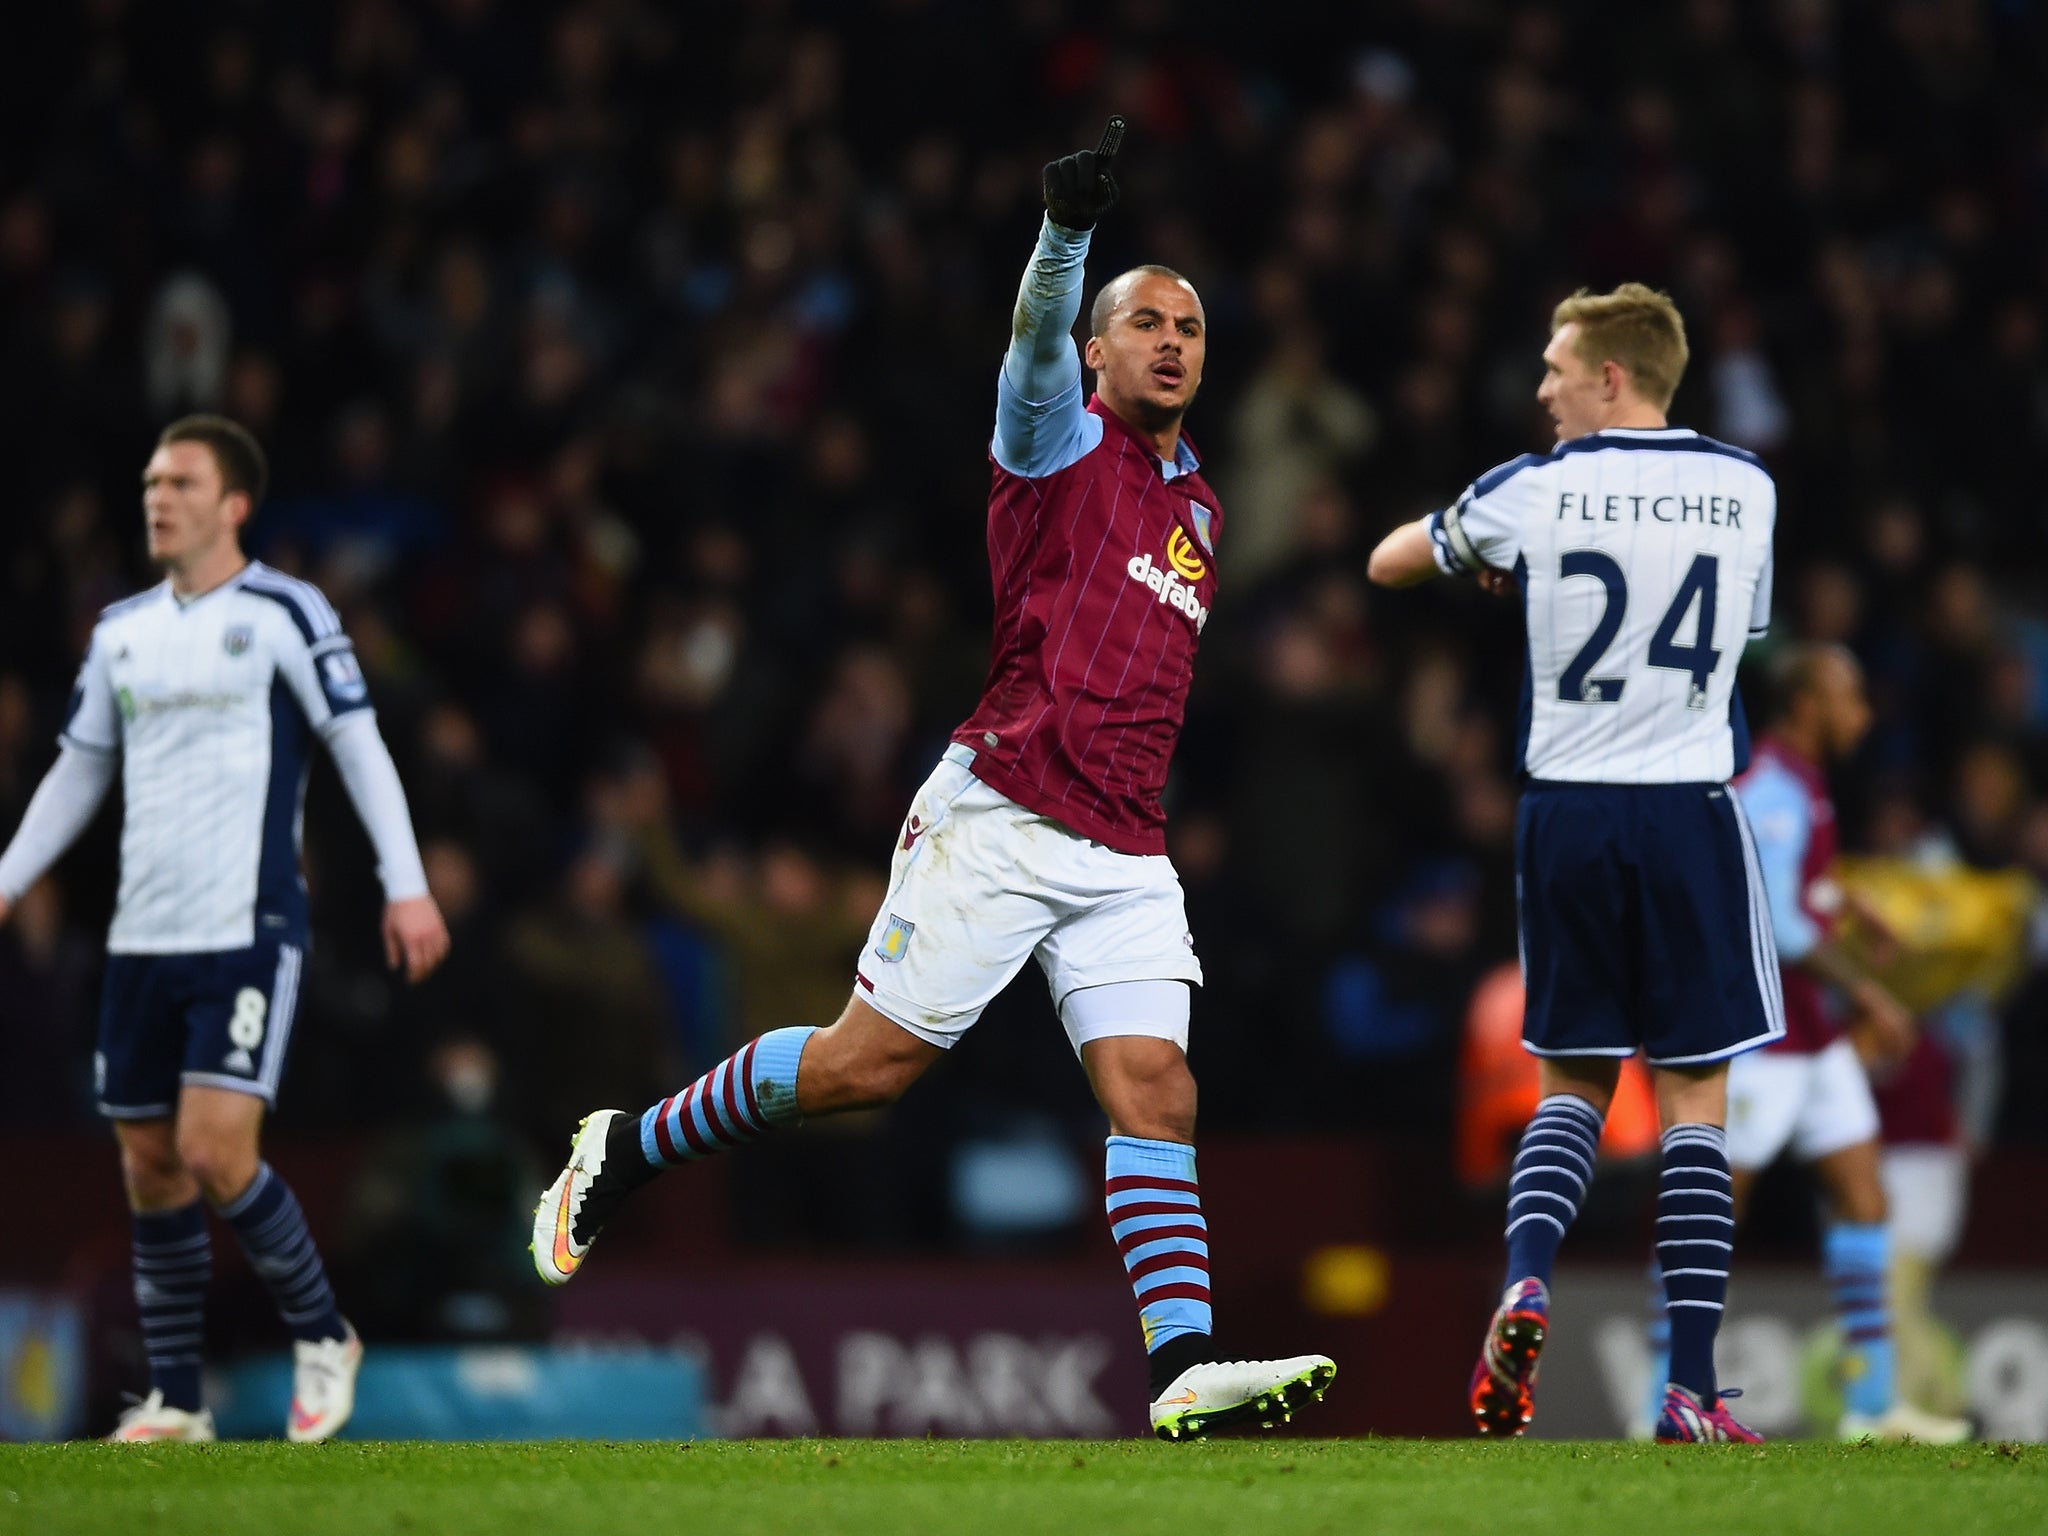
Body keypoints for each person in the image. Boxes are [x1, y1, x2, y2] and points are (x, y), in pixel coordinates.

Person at [531, 123, 1335, 1442]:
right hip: (1005, 811)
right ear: (1097, 350)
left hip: (1126, 847)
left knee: (1157, 1089)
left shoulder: (1202, 511)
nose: (1172, 341)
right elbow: (1026, 343)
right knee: (864, 1069)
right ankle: (627, 1146)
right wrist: (1065, 240)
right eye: (1144, 322)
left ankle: (1182, 1363)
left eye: (1189, 326)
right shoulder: (1053, 445)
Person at [1369, 284, 1777, 1443]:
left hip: (1568, 818)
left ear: (1611, 377)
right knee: (1694, 1104)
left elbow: (1387, 562)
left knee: (1571, 1088)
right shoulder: (1746, 487)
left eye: (1555, 367)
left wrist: (1481, 561)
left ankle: (1526, 1279)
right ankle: (1690, 1390)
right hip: (1689, 813)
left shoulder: (1529, 489)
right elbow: (1732, 646)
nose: (1539, 388)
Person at [0, 415, 450, 1442]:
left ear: (233, 504)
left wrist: (406, 884)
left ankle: (323, 1333)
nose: (157, 496)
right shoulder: (121, 631)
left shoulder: (288, 612)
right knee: (149, 1163)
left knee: (212, 1150)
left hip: (246, 926)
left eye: (181, 482)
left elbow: (358, 742)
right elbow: (79, 768)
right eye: (152, 480)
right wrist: (9, 879)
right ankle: (177, 1399)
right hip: (139, 937)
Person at [1640, 645, 1970, 1442]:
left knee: (1865, 1195)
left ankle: (1870, 1406)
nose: (1861, 712)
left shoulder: (1805, 783)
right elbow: (1781, 925)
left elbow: (1795, 888)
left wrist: (1851, 900)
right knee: (1719, 1208)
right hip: (1760, 1039)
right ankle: (1661, 1392)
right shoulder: (1774, 788)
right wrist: (1871, 993)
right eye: (1848, 696)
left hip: (1813, 1043)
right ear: (1808, 703)